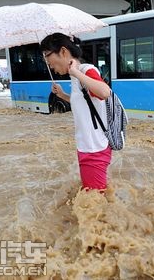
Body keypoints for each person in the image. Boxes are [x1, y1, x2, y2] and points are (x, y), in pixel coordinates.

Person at [40, 33, 112, 192]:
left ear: (63, 52)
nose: (49, 64)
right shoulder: (75, 76)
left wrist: (77, 73)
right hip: (88, 148)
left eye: (48, 56)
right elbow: (86, 105)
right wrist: (62, 95)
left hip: (94, 150)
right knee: (95, 197)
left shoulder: (85, 71)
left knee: (94, 203)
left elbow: (105, 92)